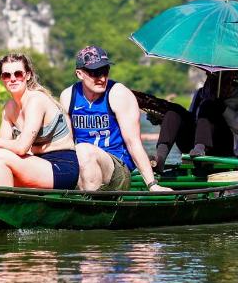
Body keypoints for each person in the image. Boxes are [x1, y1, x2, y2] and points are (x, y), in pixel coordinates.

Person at [60, 45, 169, 192]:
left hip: (117, 168)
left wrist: (152, 184)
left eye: (105, 71)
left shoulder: (119, 94)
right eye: (95, 73)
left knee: (83, 150)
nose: (102, 78)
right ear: (79, 74)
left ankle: (91, 208)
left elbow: (133, 143)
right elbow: (66, 143)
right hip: (82, 163)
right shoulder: (68, 96)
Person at [0, 53, 80, 189]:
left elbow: (21, 148)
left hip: (61, 167)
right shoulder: (9, 108)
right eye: (6, 75)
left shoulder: (36, 100)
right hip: (34, 164)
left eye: (18, 74)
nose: (12, 79)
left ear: (27, 75)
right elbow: (3, 148)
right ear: (2, 78)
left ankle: (6, 203)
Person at [152, 70, 238, 168]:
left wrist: (223, 109)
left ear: (232, 75)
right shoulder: (201, 92)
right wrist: (161, 119)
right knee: (174, 111)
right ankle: (160, 159)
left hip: (226, 144)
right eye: (211, 73)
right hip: (194, 144)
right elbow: (192, 121)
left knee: (209, 106)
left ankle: (201, 150)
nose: (213, 76)